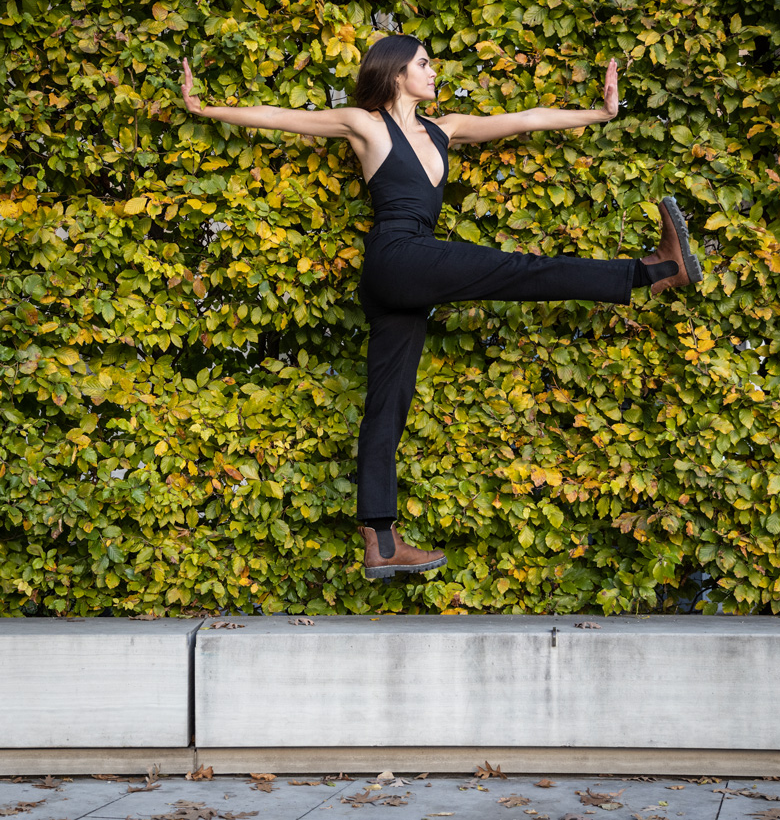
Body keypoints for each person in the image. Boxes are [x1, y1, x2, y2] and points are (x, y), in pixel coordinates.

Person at [180, 35, 703, 582]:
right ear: (396, 71)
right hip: (398, 257)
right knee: (520, 269)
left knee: (388, 405)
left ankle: (380, 541)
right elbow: (280, 116)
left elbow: (525, 118)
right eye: (424, 64)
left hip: (404, 275)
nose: (434, 72)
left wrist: (599, 113)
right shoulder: (365, 124)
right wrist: (204, 107)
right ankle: (657, 271)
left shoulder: (444, 128)